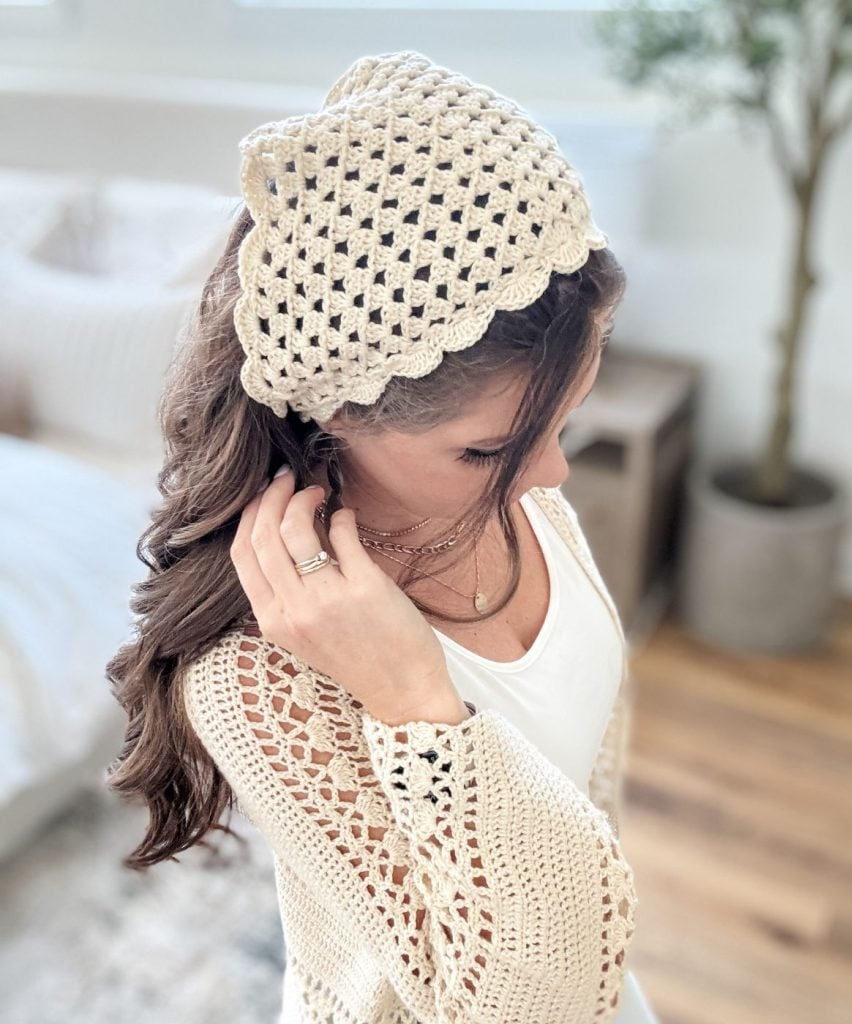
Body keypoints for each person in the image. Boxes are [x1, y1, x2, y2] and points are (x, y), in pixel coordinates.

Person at [106, 50, 659, 1023]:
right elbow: (516, 1005)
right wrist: (411, 699)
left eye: (565, 420)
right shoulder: (256, 680)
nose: (549, 477)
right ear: (334, 418)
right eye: (490, 449)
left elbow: (587, 828)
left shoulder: (526, 507)